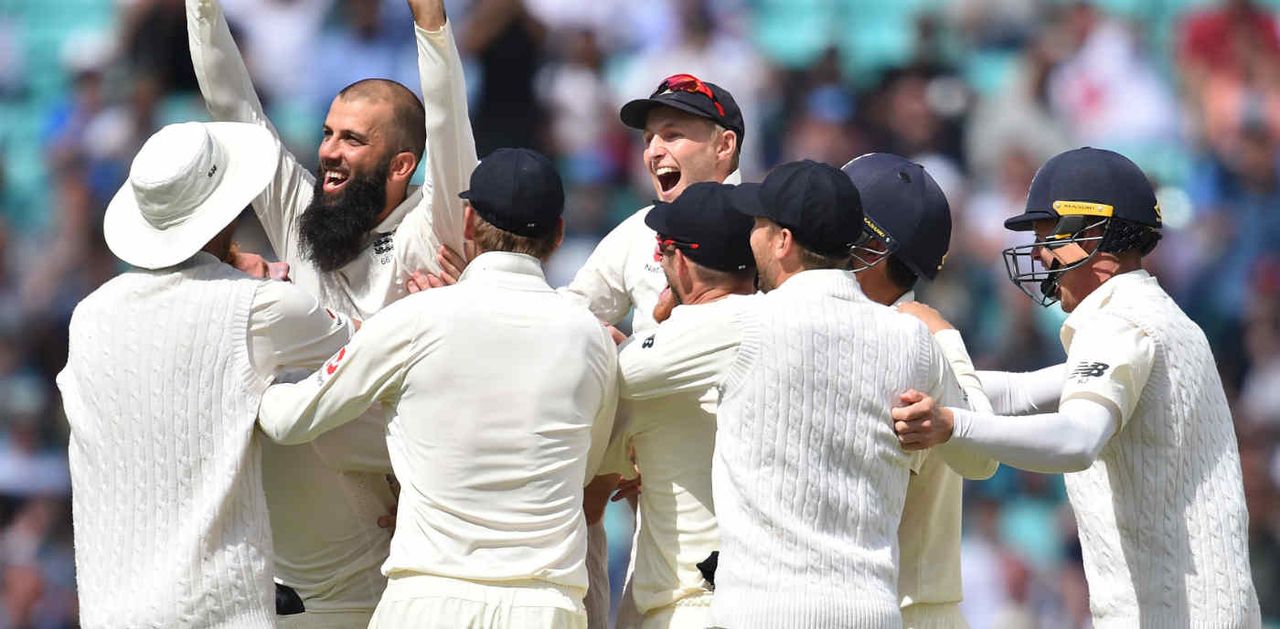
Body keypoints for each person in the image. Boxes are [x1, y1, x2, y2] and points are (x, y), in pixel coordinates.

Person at [186, 0, 476, 623]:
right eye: (326, 133)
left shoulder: (436, 228)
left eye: (352, 139)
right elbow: (237, 113)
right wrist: (204, 10)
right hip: (310, 540)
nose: (328, 152)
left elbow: (449, 121)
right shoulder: (301, 220)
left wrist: (429, 20)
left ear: (402, 165)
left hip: (411, 520)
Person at [894, 147, 1263, 627]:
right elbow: (1018, 394)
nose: (1040, 256)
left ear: (1093, 234)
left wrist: (949, 425)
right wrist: (910, 366)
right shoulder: (1157, 318)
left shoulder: (1123, 324)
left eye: (1048, 238)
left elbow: (1077, 439)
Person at [257, 148, 619, 629]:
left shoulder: (415, 317)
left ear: (468, 222)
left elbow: (288, 421)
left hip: (429, 601)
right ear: (558, 234)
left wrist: (258, 378)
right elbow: (584, 466)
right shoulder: (592, 337)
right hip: (543, 606)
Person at [618, 160, 991, 628]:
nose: (749, 238)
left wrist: (668, 321)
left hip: (764, 612)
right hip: (871, 613)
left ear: (782, 240)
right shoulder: (913, 340)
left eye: (757, 224)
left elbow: (622, 374)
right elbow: (982, 458)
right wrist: (946, 338)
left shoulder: (745, 322)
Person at [57, 122, 355, 628]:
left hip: (110, 611)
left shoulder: (88, 314)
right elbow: (364, 346)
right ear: (228, 209)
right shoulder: (257, 306)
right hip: (218, 610)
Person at [842, 153, 998, 628]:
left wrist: (944, 335)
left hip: (914, 610)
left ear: (871, 249)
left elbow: (983, 457)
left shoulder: (923, 334)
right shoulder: (826, 323)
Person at [597, 181, 756, 629]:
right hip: (769, 597)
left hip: (688, 606)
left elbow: (592, 502)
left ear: (679, 260)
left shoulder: (647, 370)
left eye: (662, 251)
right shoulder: (784, 327)